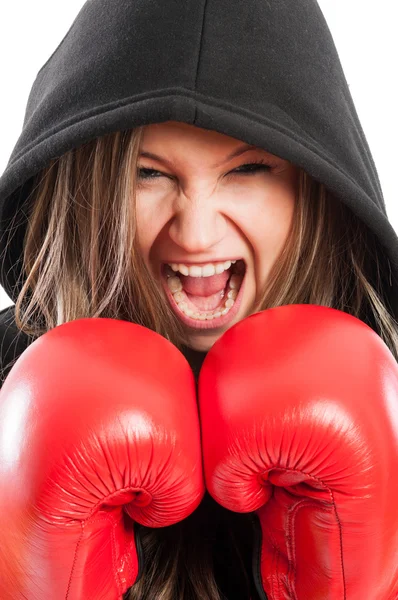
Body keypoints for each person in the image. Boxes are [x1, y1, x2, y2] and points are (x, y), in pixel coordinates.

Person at [0, 1, 397, 599]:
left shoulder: (389, 401)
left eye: (249, 169)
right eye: (148, 173)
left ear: (317, 193)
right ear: (90, 188)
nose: (196, 232)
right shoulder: (7, 386)